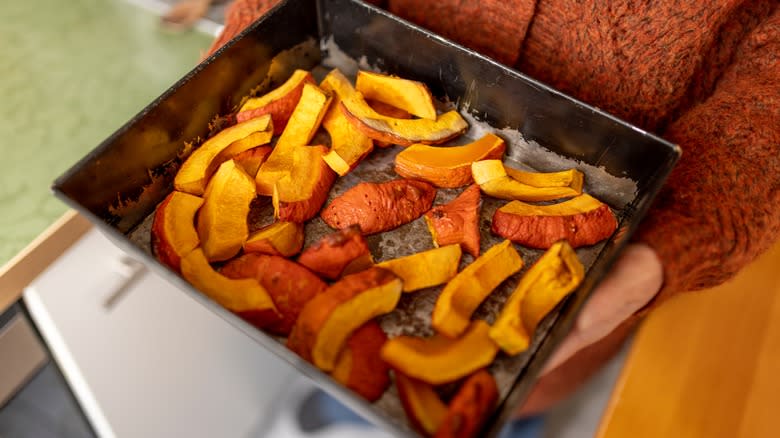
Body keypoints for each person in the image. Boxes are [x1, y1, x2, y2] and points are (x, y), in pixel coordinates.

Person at [209, 0, 780, 420]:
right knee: (353, 392)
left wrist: (685, 231)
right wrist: (247, 49)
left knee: (517, 394)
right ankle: (344, 410)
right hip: (362, 90)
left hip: (610, 241)